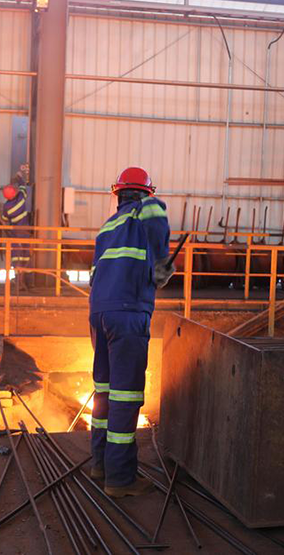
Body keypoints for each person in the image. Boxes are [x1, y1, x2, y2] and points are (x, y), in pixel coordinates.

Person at [88, 166, 175, 498]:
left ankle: (100, 465)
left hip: (99, 313)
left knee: (104, 393)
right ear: (144, 193)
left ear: (118, 194)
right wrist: (162, 262)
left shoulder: (107, 227)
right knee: (125, 397)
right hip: (128, 314)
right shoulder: (147, 210)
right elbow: (157, 212)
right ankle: (120, 480)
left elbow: (98, 274)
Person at [1, 173, 32, 290]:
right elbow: (24, 188)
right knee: (26, 256)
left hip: (15, 234)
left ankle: (19, 282)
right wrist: (19, 178)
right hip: (25, 232)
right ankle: (28, 282)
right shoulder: (20, 198)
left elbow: (4, 219)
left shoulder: (6, 207)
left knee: (17, 257)